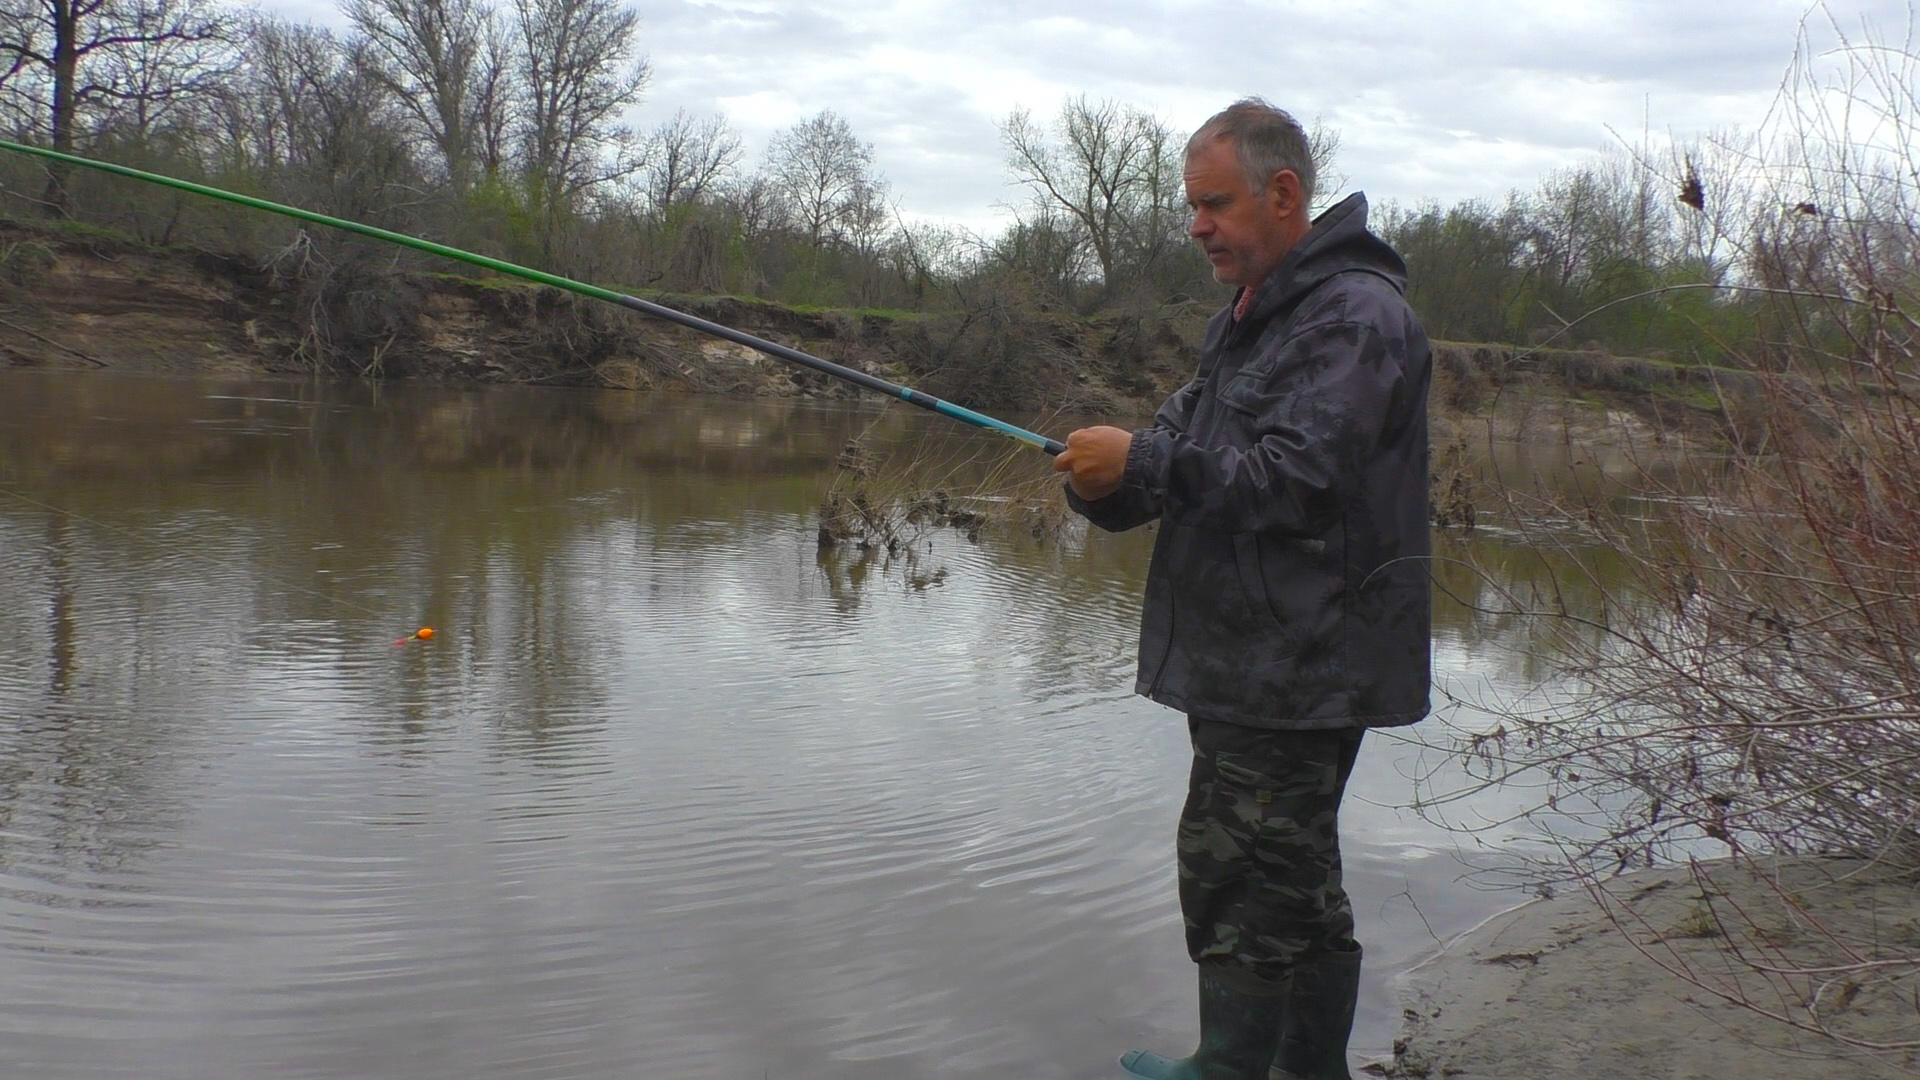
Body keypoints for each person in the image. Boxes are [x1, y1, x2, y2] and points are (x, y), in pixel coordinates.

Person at [1053, 99, 1432, 1080]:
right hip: (1251, 662)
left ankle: (1231, 1070)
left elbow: (1301, 482)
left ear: (1284, 194)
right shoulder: (1252, 319)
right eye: (1191, 207)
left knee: (1247, 881)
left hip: (1301, 663)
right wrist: (1105, 484)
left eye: (1213, 204)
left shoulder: (1355, 316)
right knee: (1284, 881)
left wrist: (1142, 459)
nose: (1196, 227)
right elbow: (1183, 455)